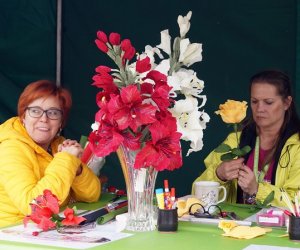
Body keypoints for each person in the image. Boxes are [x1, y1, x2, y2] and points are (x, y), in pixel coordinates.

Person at [0, 80, 101, 227]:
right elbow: (34, 207)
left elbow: (92, 195)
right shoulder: (11, 148)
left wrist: (76, 167)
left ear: (61, 122)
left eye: (53, 113)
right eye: (35, 111)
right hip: (12, 233)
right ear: (23, 116)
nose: (44, 119)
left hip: (48, 230)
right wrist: (67, 159)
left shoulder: (57, 144)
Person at [193, 70, 300, 207]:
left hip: (279, 228)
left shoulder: (296, 146)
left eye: (268, 102)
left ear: (287, 103)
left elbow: (297, 203)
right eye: (254, 101)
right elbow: (198, 195)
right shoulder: (235, 140)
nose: (259, 108)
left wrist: (257, 190)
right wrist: (218, 175)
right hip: (233, 226)